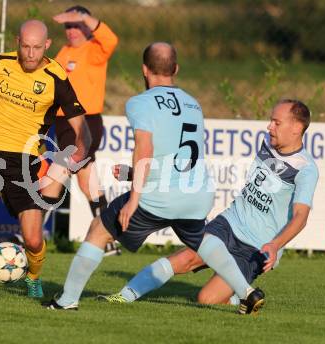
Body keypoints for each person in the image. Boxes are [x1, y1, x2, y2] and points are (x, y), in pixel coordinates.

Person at [100, 99, 318, 315]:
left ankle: (239, 299)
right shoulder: (268, 143)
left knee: (206, 299)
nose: (269, 127)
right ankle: (125, 296)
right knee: (185, 259)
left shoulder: (306, 169)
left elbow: (300, 216)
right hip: (229, 223)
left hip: (256, 247)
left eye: (276, 122)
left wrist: (274, 245)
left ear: (297, 128)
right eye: (270, 121)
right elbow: (184, 170)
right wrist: (134, 174)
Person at [43, 42, 215, 310]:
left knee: (98, 230)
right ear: (176, 69)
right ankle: (246, 290)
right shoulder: (193, 104)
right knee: (208, 249)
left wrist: (134, 198)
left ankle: (67, 300)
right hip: (194, 196)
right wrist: (133, 174)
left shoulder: (142, 103)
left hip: (157, 197)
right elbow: (176, 162)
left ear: (145, 70)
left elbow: (146, 148)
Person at [0, 20, 91, 297]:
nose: (31, 54)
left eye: (37, 47)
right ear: (17, 42)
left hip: (23, 160)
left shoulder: (56, 78)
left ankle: (33, 277)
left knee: (34, 240)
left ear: (47, 45)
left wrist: (81, 147)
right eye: (25, 47)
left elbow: (78, 121)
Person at [41, 5, 120, 254]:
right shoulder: (64, 52)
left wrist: (85, 17)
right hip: (63, 124)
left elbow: (111, 39)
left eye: (77, 25)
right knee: (89, 184)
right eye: (68, 26)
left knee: (52, 179)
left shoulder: (95, 50)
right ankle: (107, 239)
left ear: (87, 25)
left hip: (85, 124)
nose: (72, 30)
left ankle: (28, 236)